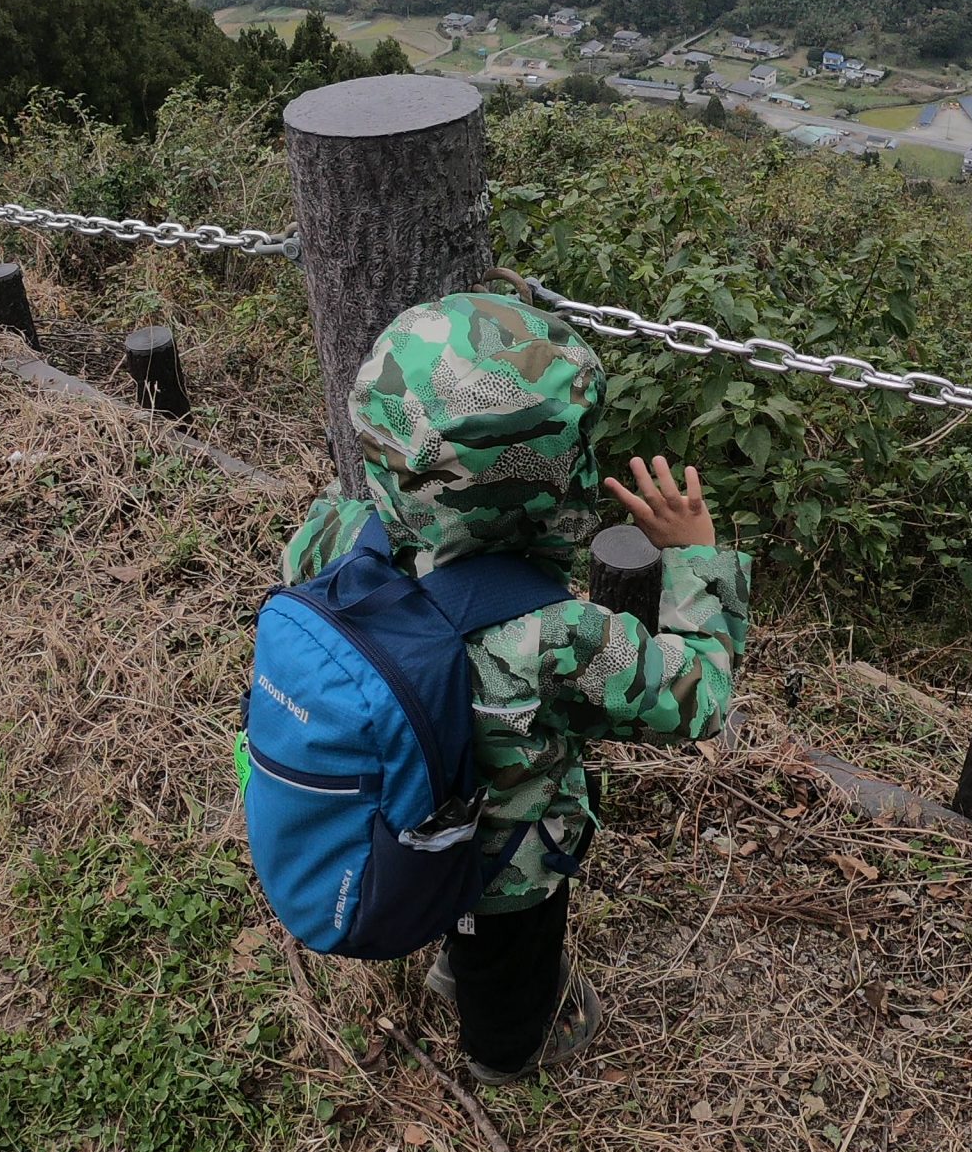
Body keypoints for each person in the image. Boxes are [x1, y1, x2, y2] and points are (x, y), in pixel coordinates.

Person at [280, 291, 749, 1081]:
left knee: (463, 925)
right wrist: (696, 556)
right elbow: (698, 695)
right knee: (510, 967)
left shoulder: (333, 535)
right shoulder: (554, 636)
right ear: (551, 479)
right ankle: (508, 1053)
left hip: (399, 818)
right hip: (507, 862)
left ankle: (449, 948)